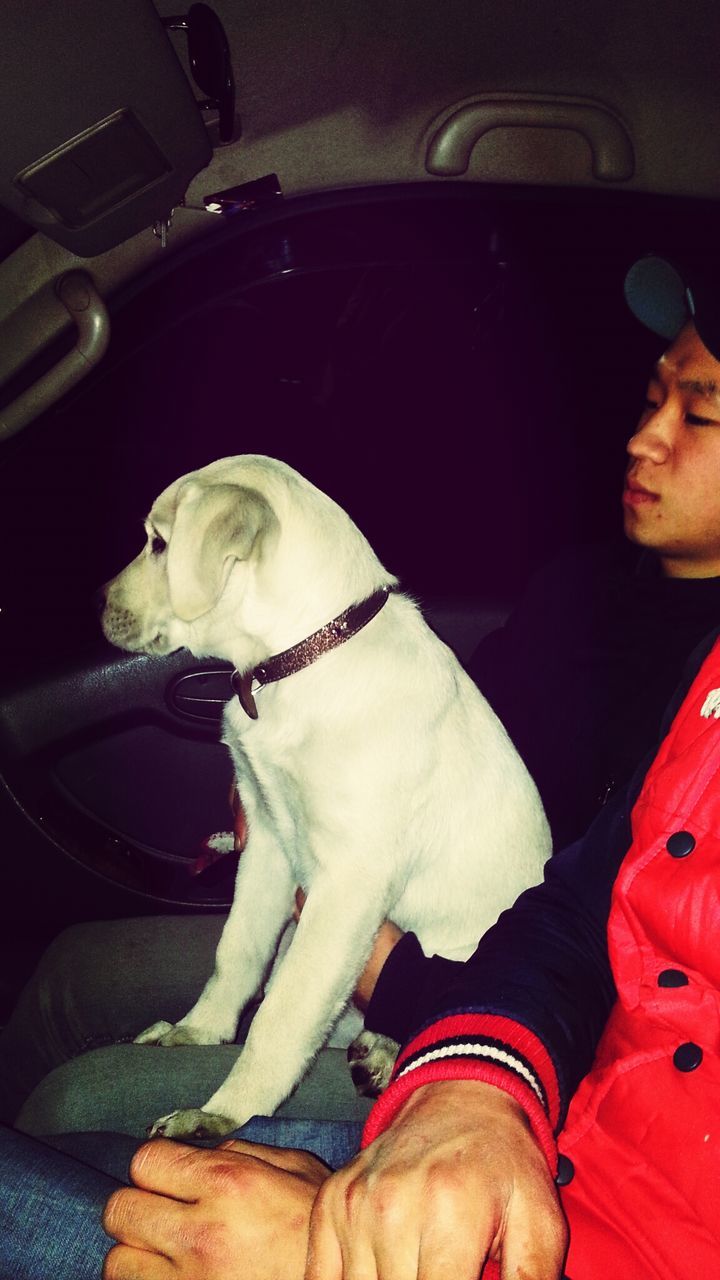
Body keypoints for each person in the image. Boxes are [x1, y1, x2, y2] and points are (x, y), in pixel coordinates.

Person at [1, 253, 720, 1279]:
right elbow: (461, 783)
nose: (645, 433)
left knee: (80, 1107)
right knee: (74, 971)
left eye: (700, 411)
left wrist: (408, 986)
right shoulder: (583, 588)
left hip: (448, 984)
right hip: (475, 997)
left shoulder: (695, 668)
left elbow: (614, 957)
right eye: (653, 396)